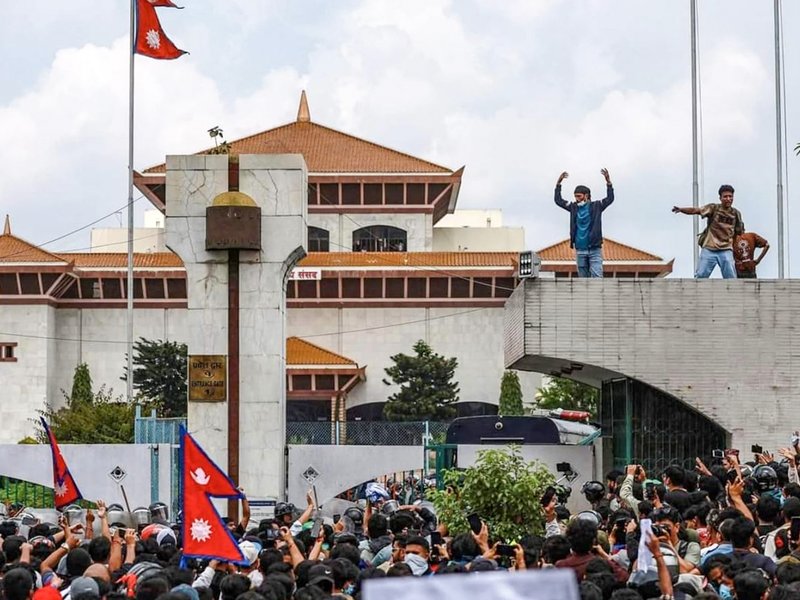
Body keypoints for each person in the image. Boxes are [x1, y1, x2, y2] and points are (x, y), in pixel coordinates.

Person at [672, 184, 745, 279]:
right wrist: (681, 209)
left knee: (730, 276)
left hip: (726, 249)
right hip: (710, 248)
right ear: (720, 198)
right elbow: (696, 210)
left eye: (730, 196)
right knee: (701, 275)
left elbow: (739, 233)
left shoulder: (735, 213)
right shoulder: (714, 208)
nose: (728, 199)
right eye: (725, 196)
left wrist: (736, 251)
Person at [554, 169, 615, 278]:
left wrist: (608, 183)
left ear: (586, 196)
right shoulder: (573, 207)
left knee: (597, 277)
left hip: (594, 248)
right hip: (580, 249)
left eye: (579, 196)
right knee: (583, 281)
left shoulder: (597, 206)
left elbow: (610, 199)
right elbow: (558, 200)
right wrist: (558, 183)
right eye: (575, 196)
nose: (577, 199)